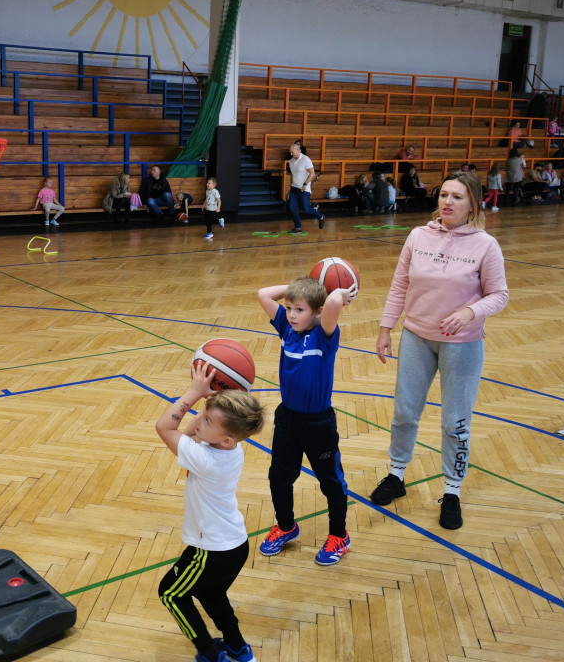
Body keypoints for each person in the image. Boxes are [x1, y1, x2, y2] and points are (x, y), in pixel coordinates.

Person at [369, 171, 509, 529]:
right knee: (404, 412)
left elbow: (499, 295)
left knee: (455, 423)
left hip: (462, 345)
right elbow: (400, 285)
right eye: (444, 194)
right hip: (416, 336)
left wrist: (469, 312)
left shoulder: (486, 245)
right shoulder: (418, 236)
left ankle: (452, 490)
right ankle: (396, 474)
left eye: (457, 197)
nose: (447, 202)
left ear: (473, 205)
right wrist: (386, 328)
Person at [155, 362, 264, 662]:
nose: (199, 420)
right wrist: (209, 409)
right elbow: (193, 437)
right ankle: (239, 649)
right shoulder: (232, 448)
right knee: (211, 594)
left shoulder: (204, 458)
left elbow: (165, 428)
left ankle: (209, 652)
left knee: (171, 593)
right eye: (202, 416)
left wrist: (193, 393)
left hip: (210, 551)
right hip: (234, 545)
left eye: (206, 421)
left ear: (226, 438)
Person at [256, 277, 357, 565]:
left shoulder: (325, 336)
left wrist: (333, 291)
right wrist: (296, 287)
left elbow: (334, 303)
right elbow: (264, 292)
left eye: (299, 309)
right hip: (288, 419)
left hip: (319, 424)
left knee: (331, 483)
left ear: (317, 312)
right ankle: (286, 526)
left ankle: (339, 535)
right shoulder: (287, 329)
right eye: (288, 308)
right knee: (279, 476)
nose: (291, 314)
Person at [286, 140, 325, 233]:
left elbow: (312, 173)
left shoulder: (305, 159)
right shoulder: (291, 162)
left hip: (304, 189)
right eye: (290, 152)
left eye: (292, 152)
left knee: (306, 209)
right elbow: (292, 175)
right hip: (294, 188)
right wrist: (290, 186)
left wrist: (305, 184)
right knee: (292, 208)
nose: (291, 154)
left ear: (298, 150)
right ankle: (298, 227)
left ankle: (320, 216)